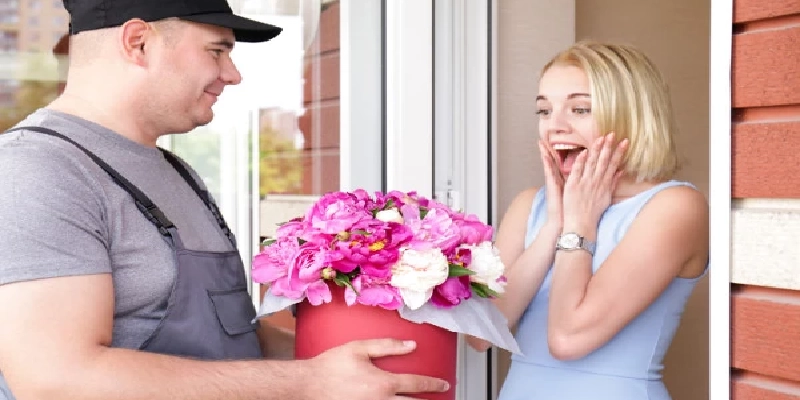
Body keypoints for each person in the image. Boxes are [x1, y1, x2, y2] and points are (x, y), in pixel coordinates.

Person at [0, 1, 450, 399]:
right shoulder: (38, 169)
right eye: (217, 51)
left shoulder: (174, 171)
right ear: (138, 42)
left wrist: (360, 361)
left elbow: (231, 339)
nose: (232, 75)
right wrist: (308, 382)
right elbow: (56, 379)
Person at [468, 41, 709, 399]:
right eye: (544, 111)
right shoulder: (529, 206)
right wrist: (553, 225)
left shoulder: (674, 207)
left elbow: (568, 338)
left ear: (632, 115)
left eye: (580, 109)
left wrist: (578, 226)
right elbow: (480, 334)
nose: (555, 127)